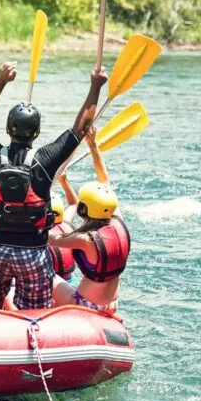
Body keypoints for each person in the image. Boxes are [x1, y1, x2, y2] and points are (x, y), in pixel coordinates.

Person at [0, 61, 108, 310]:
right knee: (35, 309)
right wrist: (95, 86)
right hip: (32, 252)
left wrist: (1, 80)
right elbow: (81, 128)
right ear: (36, 133)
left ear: (7, 129)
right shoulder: (46, 159)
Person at [50, 132, 130, 313]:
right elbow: (105, 182)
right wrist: (93, 146)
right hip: (111, 304)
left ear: (84, 209)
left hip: (86, 305)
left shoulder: (85, 239)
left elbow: (50, 238)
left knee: (49, 275)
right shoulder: (118, 222)